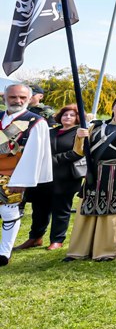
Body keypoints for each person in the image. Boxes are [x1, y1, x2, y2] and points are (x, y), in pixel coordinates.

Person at [64, 97, 116, 262]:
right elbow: (81, 151)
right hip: (94, 172)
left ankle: (107, 250)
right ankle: (80, 250)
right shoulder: (96, 125)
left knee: (113, 211)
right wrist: (80, 137)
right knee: (87, 209)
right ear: (113, 108)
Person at [13, 104, 83, 251]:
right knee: (39, 209)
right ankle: (35, 237)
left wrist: (52, 160)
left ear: (77, 118)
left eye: (71, 115)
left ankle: (57, 239)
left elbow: (78, 153)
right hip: (44, 177)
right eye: (65, 115)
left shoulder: (79, 133)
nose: (67, 117)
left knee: (61, 209)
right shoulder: (52, 131)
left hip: (65, 177)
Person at [0, 83, 52, 266]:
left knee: (8, 212)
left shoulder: (36, 121)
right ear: (5, 98)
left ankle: (4, 252)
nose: (18, 101)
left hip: (13, 174)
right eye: (13, 97)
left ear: (29, 99)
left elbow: (34, 154)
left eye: (22, 97)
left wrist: (22, 180)